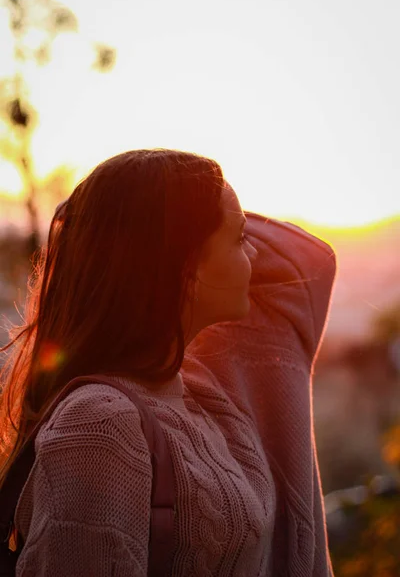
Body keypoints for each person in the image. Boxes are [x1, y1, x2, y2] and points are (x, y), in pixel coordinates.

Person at [0, 148, 337, 575]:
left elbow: (310, 264)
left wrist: (113, 213)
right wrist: (115, 212)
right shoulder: (98, 427)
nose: (253, 256)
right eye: (238, 239)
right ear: (184, 268)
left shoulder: (203, 398)